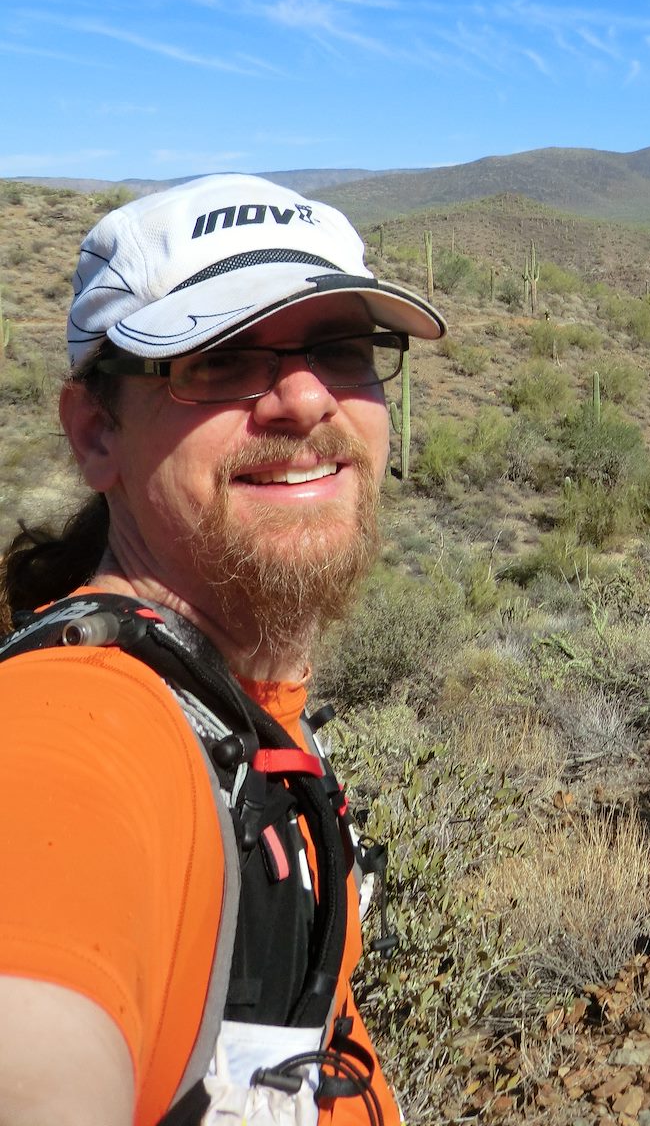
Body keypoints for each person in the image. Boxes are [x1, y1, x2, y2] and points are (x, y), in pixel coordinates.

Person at [0, 173, 446, 1126]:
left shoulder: (237, 711)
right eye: (216, 358)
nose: (304, 399)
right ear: (95, 432)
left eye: (342, 348)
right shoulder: (81, 722)